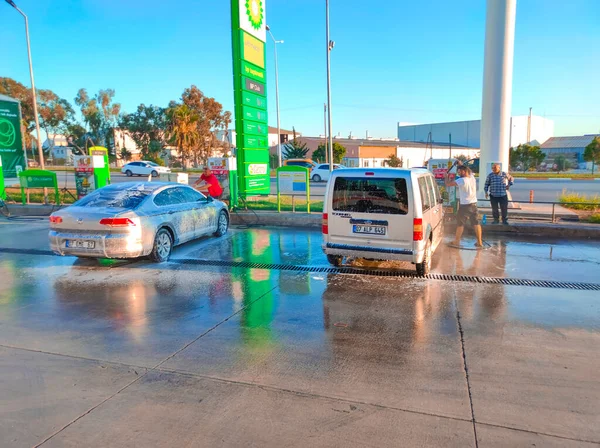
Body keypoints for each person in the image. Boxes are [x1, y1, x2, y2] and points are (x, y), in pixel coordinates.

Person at [445, 164, 483, 248]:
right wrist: (460, 164)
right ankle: (479, 242)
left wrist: (446, 176)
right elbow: (468, 170)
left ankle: (456, 241)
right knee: (476, 223)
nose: (458, 174)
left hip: (465, 206)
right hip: (474, 205)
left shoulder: (462, 180)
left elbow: (448, 184)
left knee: (460, 224)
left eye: (459, 172)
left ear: (464, 171)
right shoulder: (472, 178)